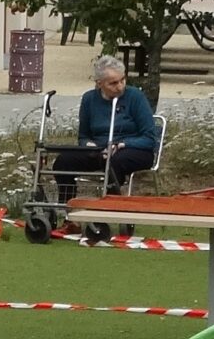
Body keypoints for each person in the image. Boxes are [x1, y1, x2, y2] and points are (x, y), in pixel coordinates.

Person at [61, 55, 161, 244]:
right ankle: (69, 215)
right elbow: (83, 136)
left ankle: (109, 210)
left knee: (114, 162)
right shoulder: (89, 99)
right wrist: (89, 145)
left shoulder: (135, 97)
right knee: (63, 161)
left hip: (134, 149)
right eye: (113, 83)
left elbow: (149, 138)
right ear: (99, 84)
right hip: (100, 149)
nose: (120, 86)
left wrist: (124, 144)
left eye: (122, 80)